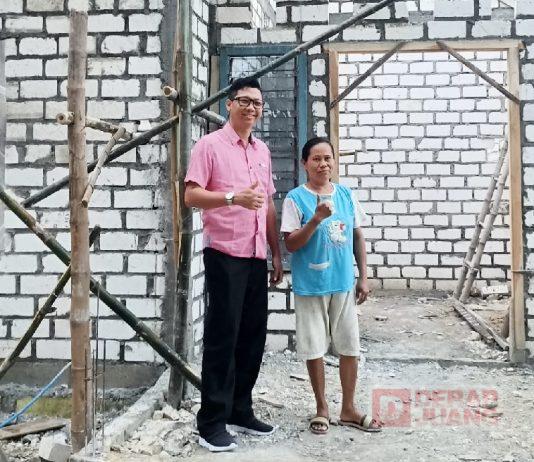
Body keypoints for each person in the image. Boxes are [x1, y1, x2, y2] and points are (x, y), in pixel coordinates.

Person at [184, 77, 283, 452]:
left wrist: (275, 253)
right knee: (223, 337)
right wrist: (231, 198)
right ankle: (211, 422)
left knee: (252, 337)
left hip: (256, 255)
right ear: (229, 104)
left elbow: (267, 203)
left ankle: (240, 410)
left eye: (257, 103)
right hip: (225, 253)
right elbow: (191, 195)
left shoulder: (262, 151)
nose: (251, 108)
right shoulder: (209, 146)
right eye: (244, 100)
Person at [280, 137, 381, 435]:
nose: (323, 164)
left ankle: (348, 408)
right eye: (316, 159)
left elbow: (357, 237)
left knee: (349, 345)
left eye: (327, 158)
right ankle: (321, 407)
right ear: (304, 164)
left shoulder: (346, 195)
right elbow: (291, 244)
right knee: (314, 348)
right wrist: (315, 220)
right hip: (311, 285)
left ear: (334, 161)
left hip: (342, 283)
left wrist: (363, 277)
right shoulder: (295, 198)